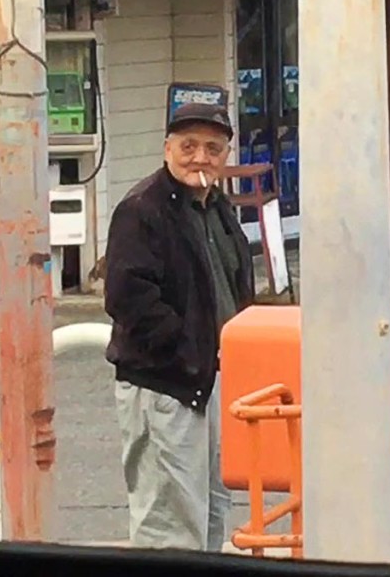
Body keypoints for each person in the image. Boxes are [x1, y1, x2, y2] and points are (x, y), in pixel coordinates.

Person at [103, 101, 255, 551]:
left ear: (227, 154)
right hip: (163, 384)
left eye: (212, 148)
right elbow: (128, 297)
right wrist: (186, 349)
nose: (200, 158)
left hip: (212, 382)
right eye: (188, 146)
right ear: (167, 148)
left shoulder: (218, 209)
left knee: (210, 511)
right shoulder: (142, 209)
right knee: (166, 523)